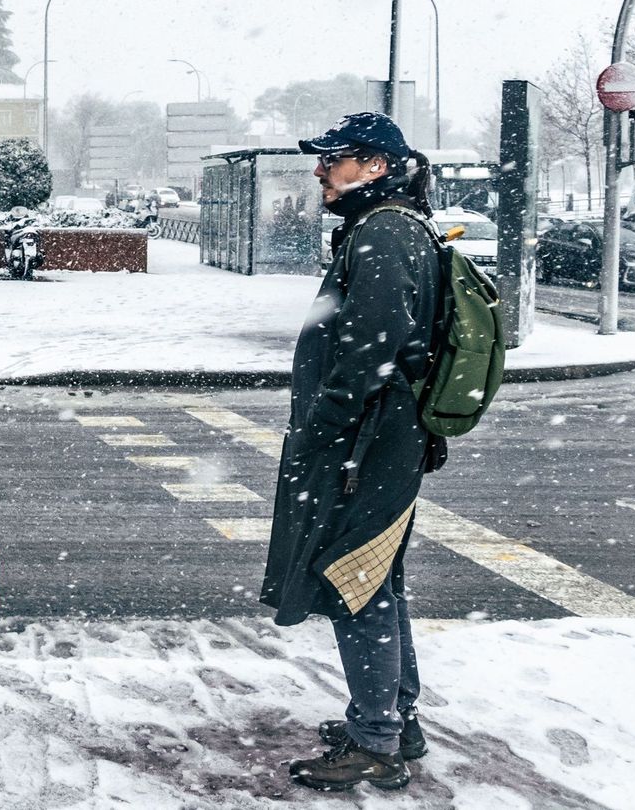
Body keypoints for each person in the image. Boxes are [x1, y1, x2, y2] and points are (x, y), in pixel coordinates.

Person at [259, 112, 442, 793]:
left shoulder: (384, 232)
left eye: (332, 159)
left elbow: (372, 347)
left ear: (374, 165)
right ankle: (397, 719)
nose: (319, 171)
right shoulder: (398, 225)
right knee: (379, 580)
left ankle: (375, 742)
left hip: (366, 445)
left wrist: (322, 428)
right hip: (386, 440)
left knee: (354, 584)